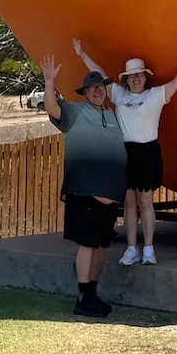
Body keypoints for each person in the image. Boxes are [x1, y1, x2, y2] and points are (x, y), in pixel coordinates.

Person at [74, 39, 177, 265]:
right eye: (131, 76)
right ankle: (131, 248)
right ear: (125, 79)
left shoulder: (155, 95)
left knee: (145, 201)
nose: (136, 79)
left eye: (140, 75)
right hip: (125, 152)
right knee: (128, 201)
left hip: (147, 152)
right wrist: (82, 54)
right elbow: (100, 73)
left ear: (146, 78)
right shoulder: (118, 95)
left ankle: (149, 248)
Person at [39, 52, 127, 318]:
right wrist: (49, 81)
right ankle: (82, 297)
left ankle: (92, 293)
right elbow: (52, 108)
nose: (98, 92)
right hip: (86, 194)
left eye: (101, 87)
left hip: (111, 197)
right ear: (85, 93)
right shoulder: (75, 112)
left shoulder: (114, 115)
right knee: (88, 246)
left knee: (101, 247)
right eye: (92, 89)